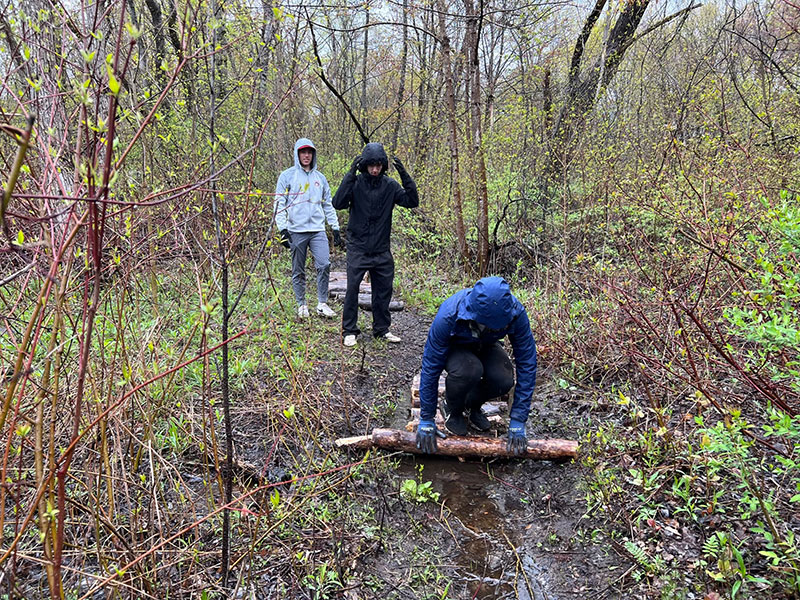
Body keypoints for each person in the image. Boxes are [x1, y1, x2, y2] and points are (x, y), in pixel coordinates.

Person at [414, 276, 538, 456]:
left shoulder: (515, 312)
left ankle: (473, 407)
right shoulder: (450, 315)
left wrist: (518, 420)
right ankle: (452, 408)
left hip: (486, 344)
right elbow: (431, 367)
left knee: (503, 379)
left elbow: (527, 362)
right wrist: (426, 418)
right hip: (457, 347)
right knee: (469, 370)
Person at [332, 142, 418, 346]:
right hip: (358, 247)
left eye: (379, 165)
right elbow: (338, 203)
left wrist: (404, 174)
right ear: (364, 165)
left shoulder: (389, 185)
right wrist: (350, 173)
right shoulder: (356, 183)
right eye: (371, 165)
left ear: (383, 166)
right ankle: (349, 330)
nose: (375, 169)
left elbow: (412, 201)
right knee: (352, 289)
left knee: (383, 289)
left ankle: (381, 329)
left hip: (381, 249)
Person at [274, 138, 343, 318]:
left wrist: (335, 227)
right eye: (303, 152)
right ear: (297, 154)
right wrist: (282, 229)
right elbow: (279, 203)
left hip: (317, 229)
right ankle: (301, 304)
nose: (306, 156)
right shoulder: (287, 176)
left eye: (309, 152)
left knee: (324, 264)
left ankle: (322, 303)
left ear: (313, 154)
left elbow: (327, 204)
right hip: (296, 230)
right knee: (298, 269)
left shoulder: (320, 178)